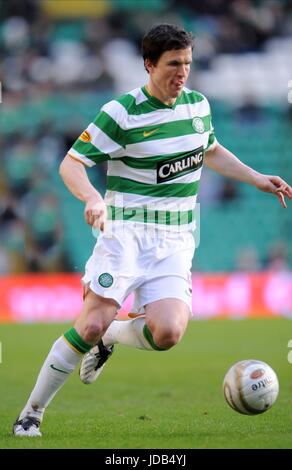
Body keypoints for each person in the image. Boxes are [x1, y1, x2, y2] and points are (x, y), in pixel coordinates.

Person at [13, 23, 292, 437]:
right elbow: (71, 164)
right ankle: (31, 414)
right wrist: (92, 198)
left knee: (168, 333)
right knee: (87, 325)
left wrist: (256, 178)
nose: (182, 73)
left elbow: (209, 148)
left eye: (188, 64)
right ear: (148, 64)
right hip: (125, 233)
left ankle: (112, 335)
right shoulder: (121, 112)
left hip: (176, 239)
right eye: (173, 64)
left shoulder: (197, 106)